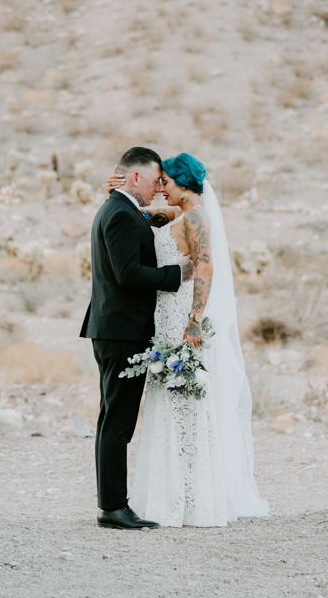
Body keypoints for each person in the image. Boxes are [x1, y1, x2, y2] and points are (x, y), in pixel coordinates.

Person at [108, 153, 269, 527]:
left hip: (182, 318)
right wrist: (118, 189)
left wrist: (194, 319)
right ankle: (173, 492)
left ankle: (191, 498)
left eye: (166, 182)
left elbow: (205, 267)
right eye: (158, 182)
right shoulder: (178, 214)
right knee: (169, 404)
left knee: (187, 405)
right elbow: (140, 214)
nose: (161, 188)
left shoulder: (196, 218)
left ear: (183, 184)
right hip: (165, 318)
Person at [80, 147, 195, 530]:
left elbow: (172, 213)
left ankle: (111, 505)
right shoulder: (120, 216)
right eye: (152, 180)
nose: (157, 188)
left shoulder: (119, 210)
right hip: (122, 333)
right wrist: (175, 274)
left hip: (115, 330)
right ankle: (112, 509)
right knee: (117, 424)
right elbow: (129, 274)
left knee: (113, 420)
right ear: (135, 178)